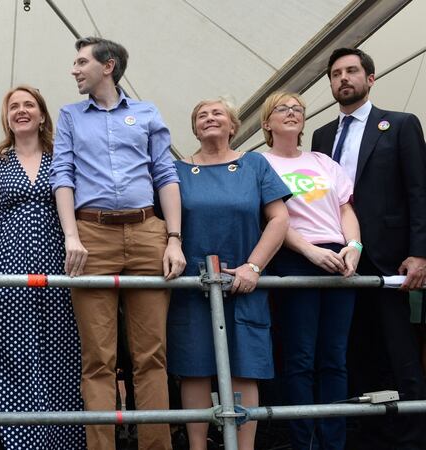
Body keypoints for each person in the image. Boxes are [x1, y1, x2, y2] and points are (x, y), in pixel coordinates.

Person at [50, 36, 186, 450]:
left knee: (152, 356)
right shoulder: (70, 115)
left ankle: (156, 446)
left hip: (148, 233)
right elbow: (63, 175)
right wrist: (71, 235)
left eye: (80, 62)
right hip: (91, 235)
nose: (73, 70)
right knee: (98, 358)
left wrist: (174, 239)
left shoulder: (147, 113)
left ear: (107, 66)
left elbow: (166, 174)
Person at [311, 47, 426, 449]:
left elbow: (418, 192)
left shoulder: (400, 125)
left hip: (390, 260)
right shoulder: (321, 136)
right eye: (336, 73)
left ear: (370, 79)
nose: (344, 78)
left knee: (400, 353)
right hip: (337, 260)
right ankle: (369, 435)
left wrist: (420, 252)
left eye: (352, 71)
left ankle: (413, 438)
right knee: (353, 352)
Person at [169, 98, 289, 450]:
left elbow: (279, 219)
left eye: (217, 113)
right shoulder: (175, 171)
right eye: (201, 115)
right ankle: (197, 446)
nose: (209, 118)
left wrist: (254, 266)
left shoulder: (255, 165)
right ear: (194, 128)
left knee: (245, 363)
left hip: (243, 282)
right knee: (194, 366)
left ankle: (244, 445)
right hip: (192, 284)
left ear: (233, 125)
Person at [0, 85, 86, 449]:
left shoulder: (63, 158)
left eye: (29, 105)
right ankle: (25, 443)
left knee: (62, 357)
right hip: (3, 267)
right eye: (13, 106)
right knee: (14, 359)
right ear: (6, 118)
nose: (21, 110)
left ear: (41, 114)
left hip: (59, 267)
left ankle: (64, 442)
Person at [260, 91, 361, 450]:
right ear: (266, 122)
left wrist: (354, 247)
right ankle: (303, 441)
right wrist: (309, 251)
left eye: (297, 109)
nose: (292, 113)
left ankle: (333, 442)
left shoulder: (324, 161)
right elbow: (274, 219)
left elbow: (346, 209)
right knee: (300, 356)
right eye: (282, 109)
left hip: (339, 259)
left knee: (334, 356)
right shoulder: (261, 164)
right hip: (295, 256)